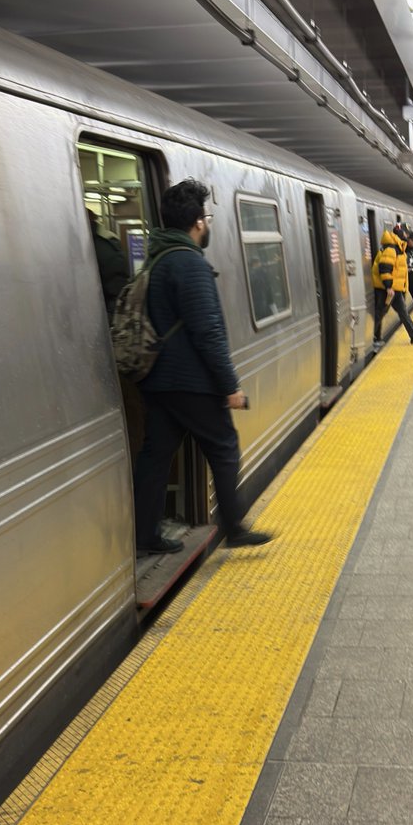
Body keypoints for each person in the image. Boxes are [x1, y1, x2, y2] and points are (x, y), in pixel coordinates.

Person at [132, 179, 272, 555]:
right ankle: (235, 526)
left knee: (156, 456)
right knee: (224, 446)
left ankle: (144, 535)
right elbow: (207, 332)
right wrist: (230, 387)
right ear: (197, 222)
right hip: (192, 383)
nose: (207, 224)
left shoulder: (157, 257)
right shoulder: (189, 263)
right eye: (206, 217)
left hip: (159, 380)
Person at [371, 225, 413, 349]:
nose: (407, 236)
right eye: (406, 234)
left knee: (402, 312)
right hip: (387, 289)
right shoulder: (391, 249)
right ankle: (371, 339)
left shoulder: (398, 248)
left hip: (394, 289)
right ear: (401, 235)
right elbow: (385, 268)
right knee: (381, 313)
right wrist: (388, 287)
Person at [88, 211, 130, 320]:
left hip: (102, 318)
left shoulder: (105, 246)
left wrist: (109, 322)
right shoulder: (87, 242)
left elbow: (117, 291)